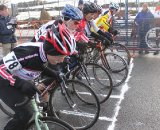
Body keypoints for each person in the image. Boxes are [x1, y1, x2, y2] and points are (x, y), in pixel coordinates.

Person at [0, 8, 78, 130]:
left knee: (29, 114)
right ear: (50, 51)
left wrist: (53, 73)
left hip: (19, 78)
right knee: (26, 115)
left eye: (64, 57)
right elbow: (0, 70)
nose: (61, 61)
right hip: (4, 83)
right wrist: (19, 83)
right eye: (59, 57)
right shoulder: (28, 53)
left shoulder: (45, 54)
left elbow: (39, 65)